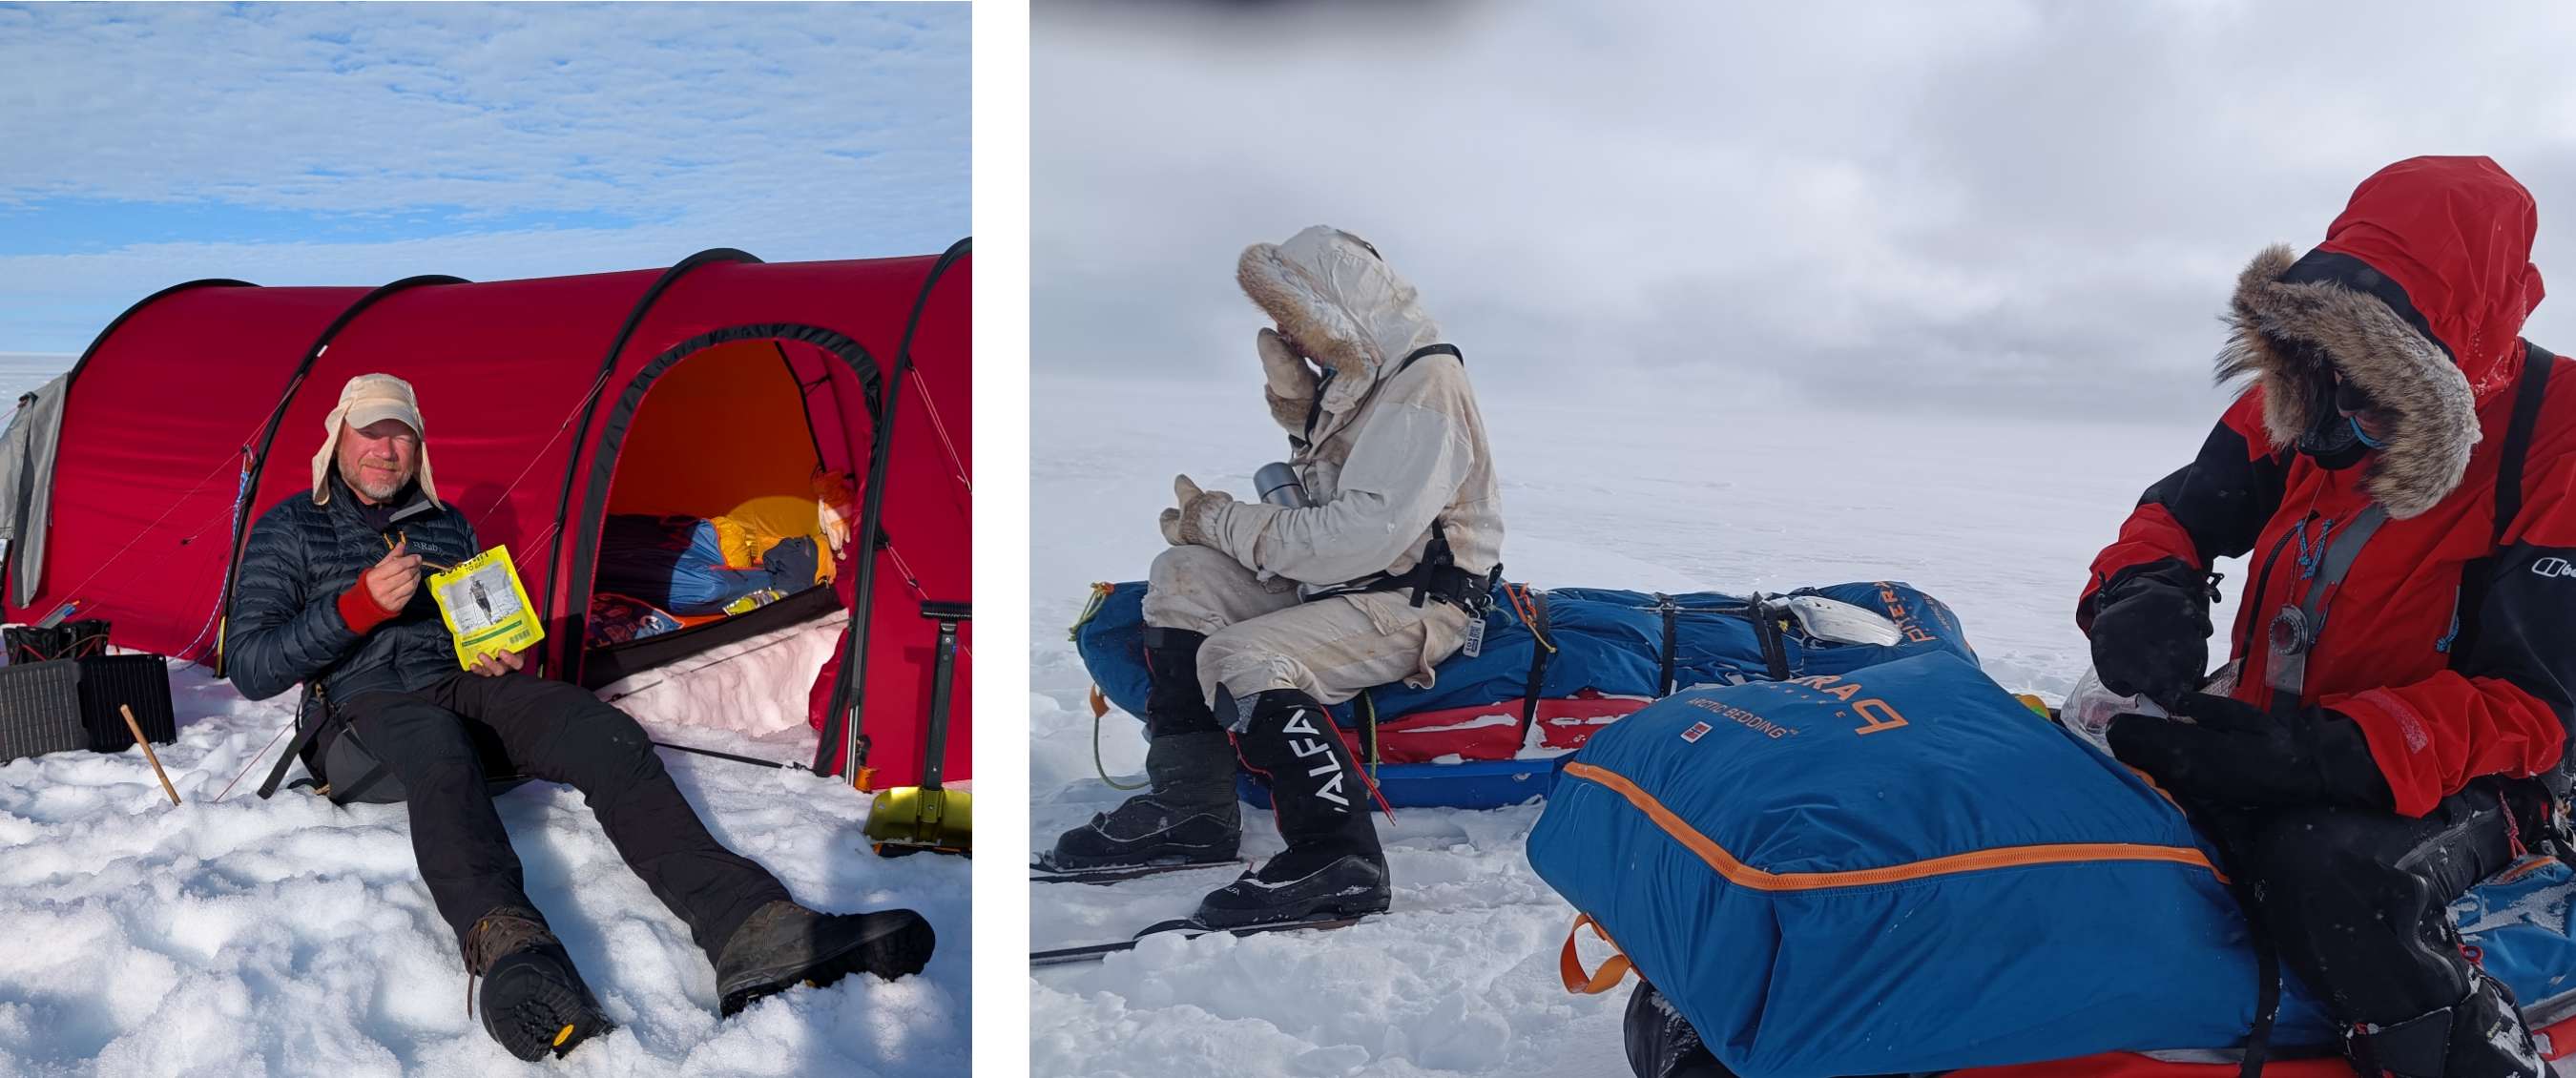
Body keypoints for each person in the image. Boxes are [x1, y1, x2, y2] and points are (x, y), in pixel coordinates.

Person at [226, 373, 935, 1061]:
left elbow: (481, 624)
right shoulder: (291, 529)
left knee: (600, 727)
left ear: (420, 447)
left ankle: (753, 925)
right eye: (368, 433)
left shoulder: (447, 527)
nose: (384, 450)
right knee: (440, 749)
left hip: (458, 685)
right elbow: (254, 666)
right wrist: (357, 609)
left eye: (400, 435)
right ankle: (511, 948)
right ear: (337, 439)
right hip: (359, 711)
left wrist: (502, 651)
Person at [2082, 156, 2576, 1077]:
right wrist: (2142, 589)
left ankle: (2474, 1052)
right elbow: (2178, 514)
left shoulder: (2561, 440)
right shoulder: (2307, 395)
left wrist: (2318, 760)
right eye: (2324, 367)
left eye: (2375, 386)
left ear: (2444, 367)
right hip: (2278, 720)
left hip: (2476, 772)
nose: (2338, 412)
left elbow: (2533, 709)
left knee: (2328, 866)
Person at [1043, 225, 1506, 928]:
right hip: (1359, 585)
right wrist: (1304, 418)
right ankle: (1191, 808)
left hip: (1419, 603)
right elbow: (1332, 512)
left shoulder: (1425, 385)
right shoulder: (1366, 383)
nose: (1291, 332)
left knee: (1241, 655)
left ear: (1339, 306)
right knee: (1182, 574)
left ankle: (1339, 857)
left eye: (1296, 314)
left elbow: (1355, 537)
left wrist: (1225, 521)